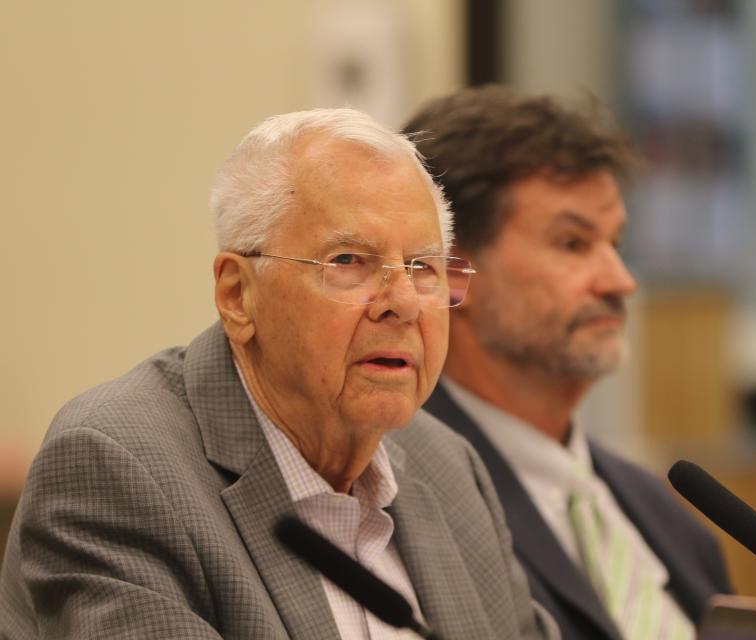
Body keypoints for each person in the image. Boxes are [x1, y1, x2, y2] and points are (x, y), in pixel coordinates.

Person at [1, 108, 558, 640]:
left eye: (424, 267)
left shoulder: (449, 468)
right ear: (238, 295)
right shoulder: (115, 466)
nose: (404, 303)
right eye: (348, 262)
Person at [403, 86, 732, 640]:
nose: (619, 281)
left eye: (616, 243)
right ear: (452, 273)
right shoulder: (399, 506)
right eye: (573, 244)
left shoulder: (670, 519)